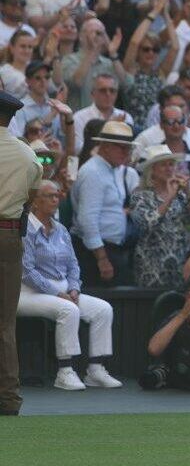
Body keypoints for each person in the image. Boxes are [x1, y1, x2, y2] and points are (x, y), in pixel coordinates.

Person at [18, 180, 120, 391]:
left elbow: (73, 264)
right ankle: (65, 371)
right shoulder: (25, 228)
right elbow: (26, 271)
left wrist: (74, 288)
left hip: (64, 291)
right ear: (35, 201)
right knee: (68, 309)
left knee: (103, 309)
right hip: (27, 293)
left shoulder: (62, 229)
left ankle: (96, 369)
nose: (55, 200)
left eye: (57, 195)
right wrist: (58, 293)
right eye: (49, 196)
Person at [0, 90, 43, 414]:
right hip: (9, 235)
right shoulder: (28, 155)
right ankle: (10, 398)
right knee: (5, 324)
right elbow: (30, 200)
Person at [70, 120, 138, 287]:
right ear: (106, 146)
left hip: (110, 248)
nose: (126, 152)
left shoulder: (111, 169)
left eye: (128, 147)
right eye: (122, 147)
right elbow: (88, 219)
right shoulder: (93, 172)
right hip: (95, 252)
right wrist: (102, 259)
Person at [129, 145, 190, 289]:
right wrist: (169, 197)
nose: (169, 169)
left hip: (179, 266)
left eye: (171, 164)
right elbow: (146, 225)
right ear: (152, 171)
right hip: (152, 268)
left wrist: (188, 194)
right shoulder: (140, 196)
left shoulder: (181, 197)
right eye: (163, 165)